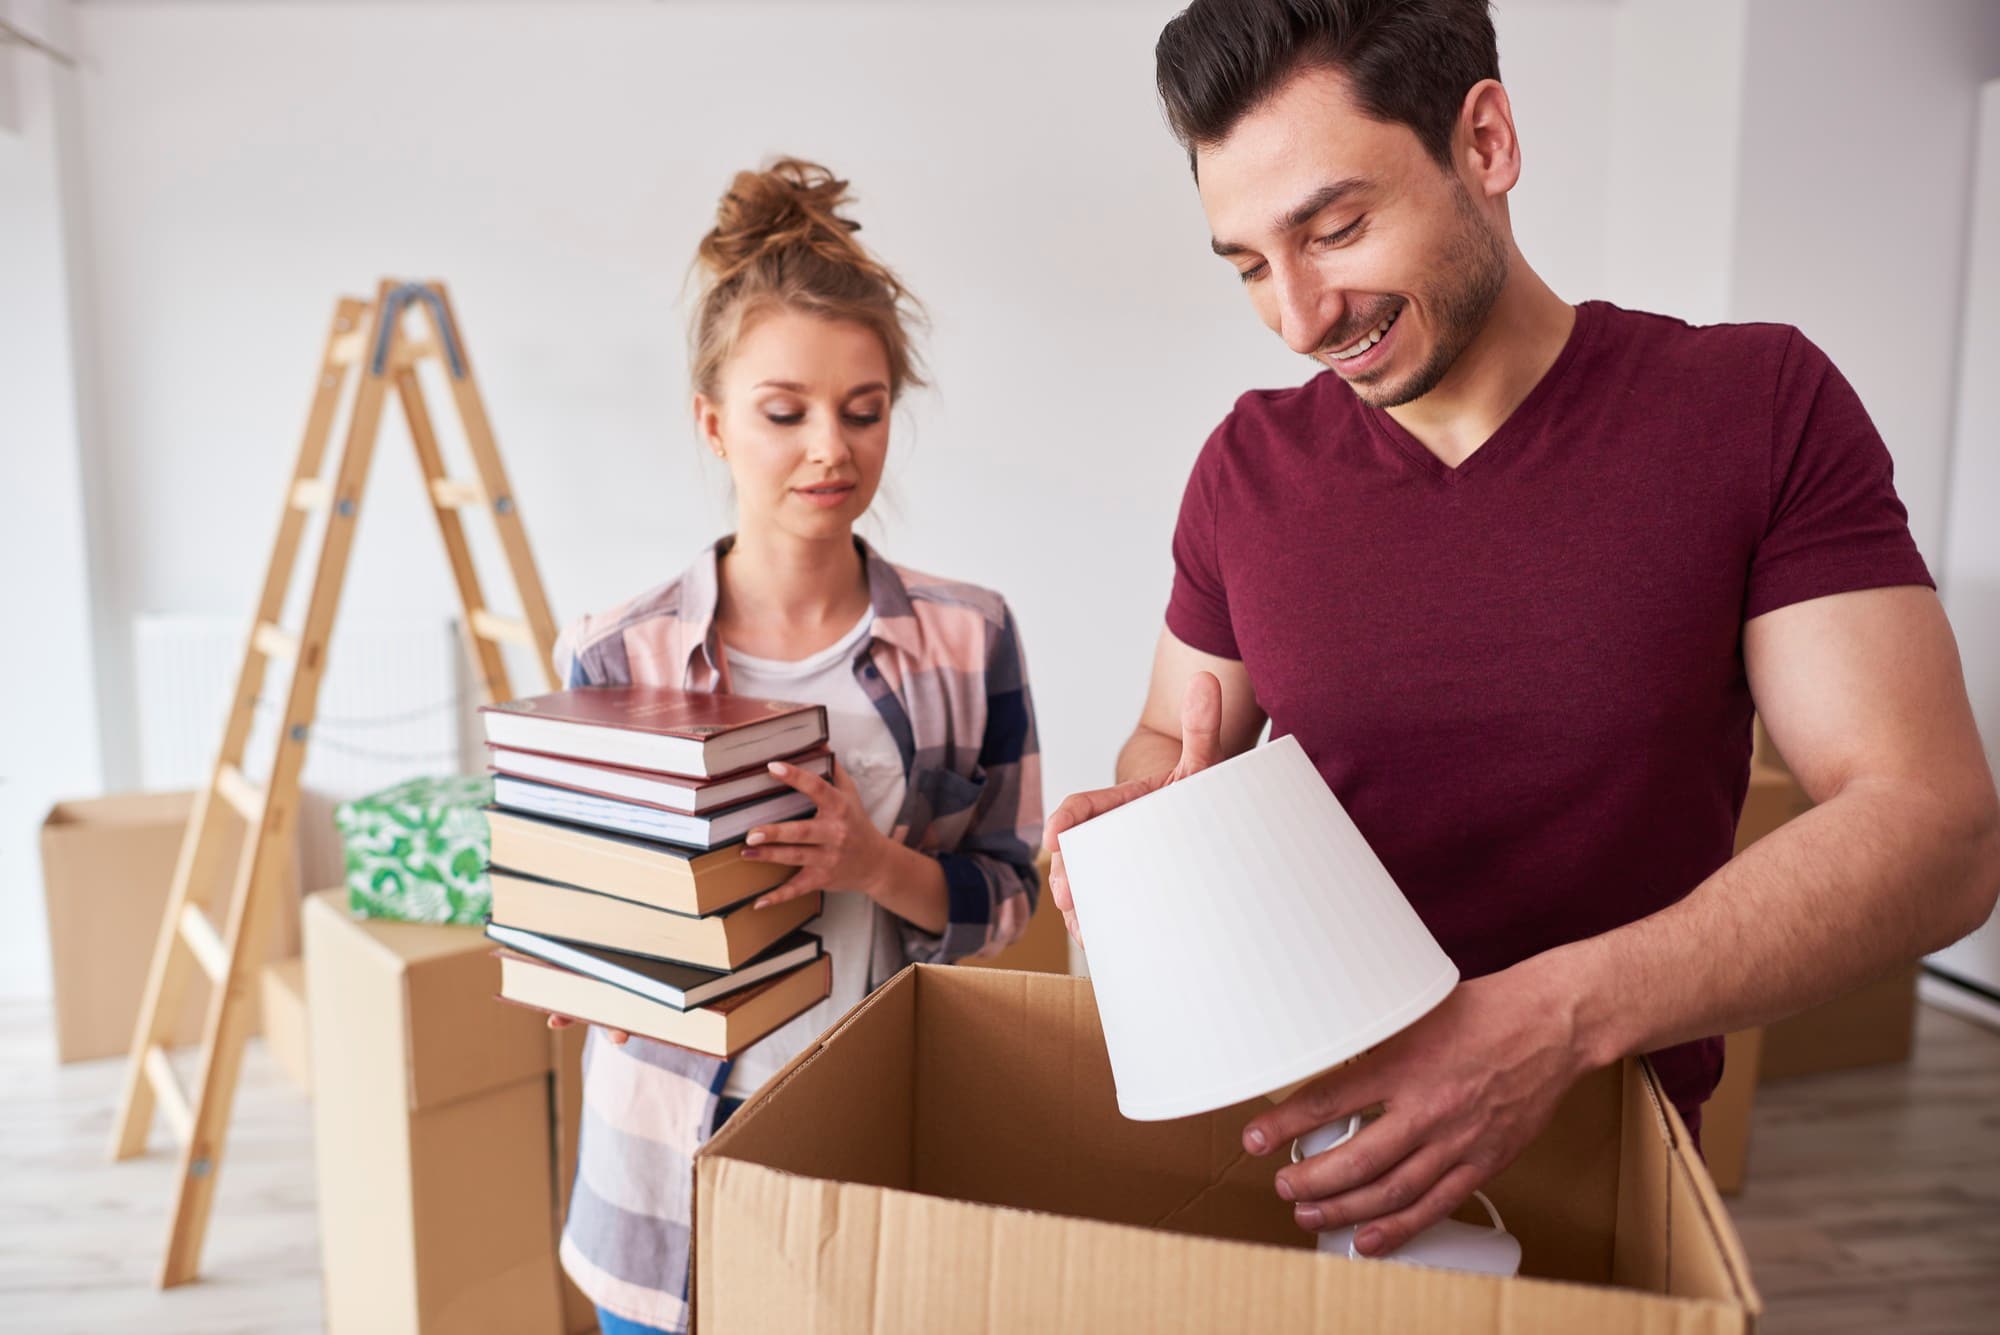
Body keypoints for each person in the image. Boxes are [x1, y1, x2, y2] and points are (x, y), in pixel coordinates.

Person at [1046, 0, 1999, 1265]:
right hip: (1295, 1181)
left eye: (1334, 230)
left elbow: (1934, 830)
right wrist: (1144, 822)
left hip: (1605, 1185)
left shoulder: (1753, 409)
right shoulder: (1245, 468)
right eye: (1246, 265)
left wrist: (1547, 1020)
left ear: (1484, 141)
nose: (1297, 316)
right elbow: (1176, 731)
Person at [547, 158, 1041, 1335]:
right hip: (663, 1186)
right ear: (713, 422)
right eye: (786, 413)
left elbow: (1013, 894)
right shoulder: (618, 655)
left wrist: (878, 867)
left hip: (872, 1157)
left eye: (864, 411)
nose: (831, 447)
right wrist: (573, 957)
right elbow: (580, 913)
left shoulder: (968, 639)